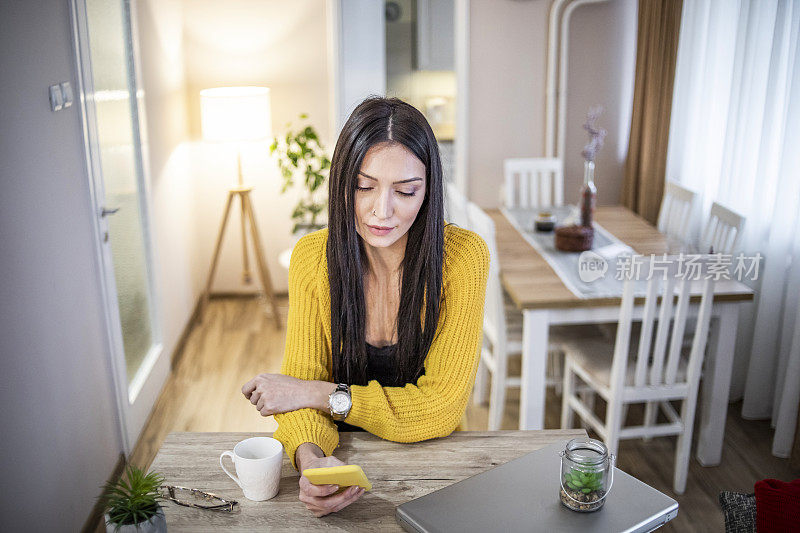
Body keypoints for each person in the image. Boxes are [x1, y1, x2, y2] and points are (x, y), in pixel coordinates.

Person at [241, 96, 489, 517]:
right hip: (339, 455)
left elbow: (439, 409)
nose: (382, 210)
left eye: (406, 191)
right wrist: (310, 459)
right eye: (364, 186)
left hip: (432, 463)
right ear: (342, 183)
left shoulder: (462, 260)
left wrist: (320, 394)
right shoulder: (312, 259)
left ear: (428, 191)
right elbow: (299, 398)